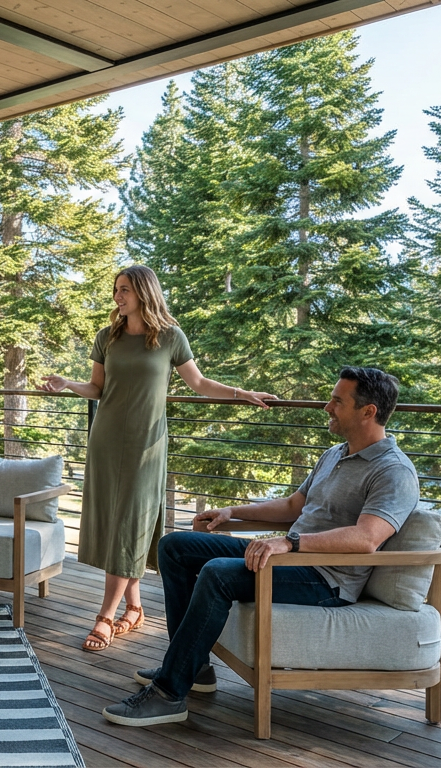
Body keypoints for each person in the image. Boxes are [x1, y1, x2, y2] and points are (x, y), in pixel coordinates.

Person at [105, 367, 421, 727]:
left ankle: (168, 694)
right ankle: (196, 669)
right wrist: (232, 511)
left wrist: (290, 542)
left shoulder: (393, 471)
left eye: (337, 400)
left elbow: (367, 538)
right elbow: (292, 507)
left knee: (217, 574)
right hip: (289, 556)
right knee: (174, 546)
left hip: (326, 579)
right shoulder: (335, 454)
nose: (326, 407)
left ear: (369, 412)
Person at [40, 265, 274, 653]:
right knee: (117, 522)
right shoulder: (107, 337)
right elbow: (97, 388)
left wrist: (242, 393)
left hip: (146, 447)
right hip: (106, 441)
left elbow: (199, 384)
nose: (118, 296)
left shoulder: (169, 337)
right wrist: (67, 384)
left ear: (145, 292)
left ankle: (104, 617)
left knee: (131, 523)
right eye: (116, 289)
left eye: (125, 289)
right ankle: (133, 608)